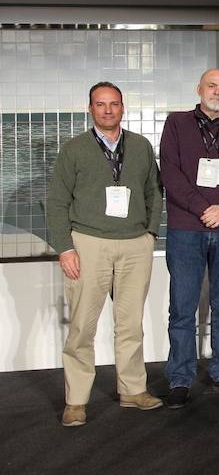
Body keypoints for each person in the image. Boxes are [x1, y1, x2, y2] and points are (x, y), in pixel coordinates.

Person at [48, 82, 163, 427]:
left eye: (114, 104)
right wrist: (65, 247)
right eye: (101, 104)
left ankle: (132, 390)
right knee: (82, 325)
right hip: (88, 243)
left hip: (134, 244)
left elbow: (154, 193)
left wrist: (150, 234)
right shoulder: (74, 149)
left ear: (123, 108)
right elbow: (56, 202)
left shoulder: (141, 147)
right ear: (90, 109)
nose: (108, 110)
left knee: (130, 324)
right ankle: (76, 400)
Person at [159, 68, 219, 408]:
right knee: (183, 307)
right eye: (212, 86)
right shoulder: (176, 123)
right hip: (187, 228)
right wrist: (205, 208)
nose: (217, 92)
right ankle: (180, 378)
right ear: (199, 88)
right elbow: (169, 172)